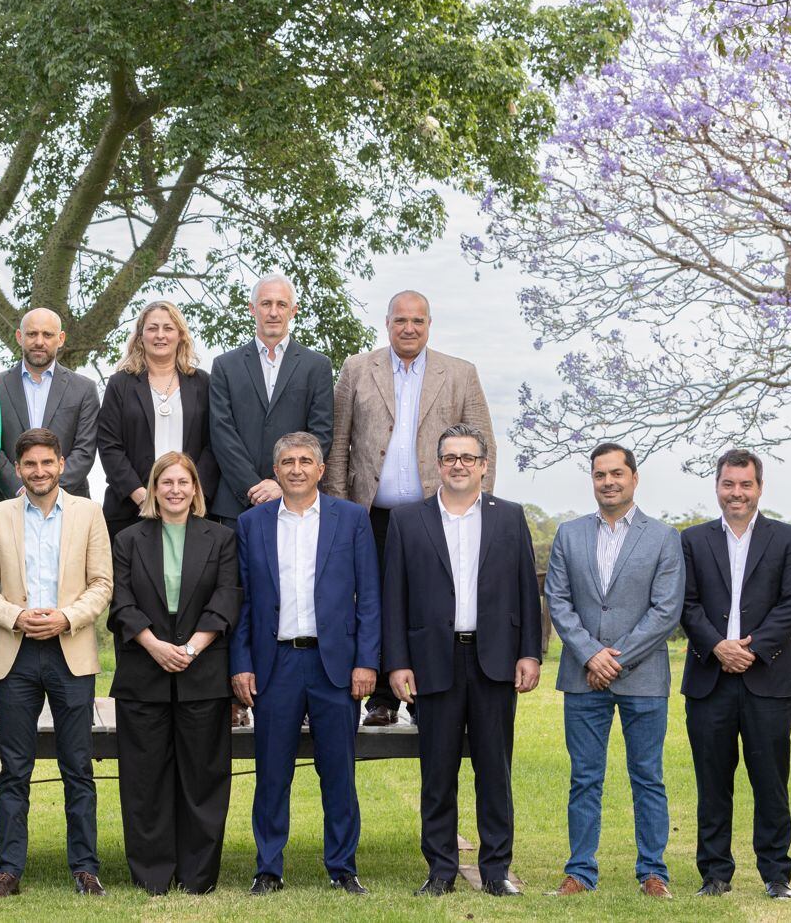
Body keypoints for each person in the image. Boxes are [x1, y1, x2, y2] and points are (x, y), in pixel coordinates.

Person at [321, 290, 497, 727]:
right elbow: (338, 443)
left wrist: (478, 511)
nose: (409, 328)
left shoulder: (459, 373)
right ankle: (382, 699)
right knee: (377, 602)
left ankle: (424, 698)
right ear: (387, 324)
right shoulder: (357, 369)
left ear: (429, 325)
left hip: (435, 516)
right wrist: (340, 508)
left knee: (430, 604)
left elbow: (485, 446)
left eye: (418, 320)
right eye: (400, 320)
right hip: (371, 515)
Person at [381, 424, 542, 897]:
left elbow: (526, 590)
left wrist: (529, 652)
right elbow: (394, 596)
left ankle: (496, 870)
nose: (458, 465)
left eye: (468, 457)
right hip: (433, 660)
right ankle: (440, 870)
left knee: (494, 771)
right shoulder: (408, 520)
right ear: (438, 464)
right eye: (450, 457)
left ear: (483, 466)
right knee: (437, 772)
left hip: (495, 660)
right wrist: (397, 661)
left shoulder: (508, 517)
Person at [229, 434, 380, 896]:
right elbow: (242, 601)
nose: (296, 469)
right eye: (288, 462)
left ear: (320, 469)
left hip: (334, 665)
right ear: (275, 471)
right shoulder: (251, 523)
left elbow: (369, 598)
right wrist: (241, 663)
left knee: (338, 773)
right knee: (272, 773)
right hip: (275, 664)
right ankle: (268, 868)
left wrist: (366, 662)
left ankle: (343, 867)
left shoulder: (350, 519)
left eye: (305, 461)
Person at [0, 428, 113, 897]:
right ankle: (8, 870)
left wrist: (66, 618)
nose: (39, 471)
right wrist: (16, 617)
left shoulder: (89, 513)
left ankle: (85, 869)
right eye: (29, 464)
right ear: (17, 469)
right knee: (14, 769)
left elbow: (102, 584)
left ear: (62, 464)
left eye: (47, 462)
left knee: (78, 767)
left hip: (70, 650)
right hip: (16, 653)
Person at [544, 443, 684, 898]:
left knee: (648, 777)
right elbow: (558, 601)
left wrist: (613, 659)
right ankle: (580, 872)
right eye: (600, 474)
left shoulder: (663, 537)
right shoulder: (569, 534)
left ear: (634, 478)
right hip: (583, 677)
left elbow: (666, 611)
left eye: (617, 473)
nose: (608, 482)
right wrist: (591, 655)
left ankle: (653, 873)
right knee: (584, 777)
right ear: (593, 480)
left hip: (643, 679)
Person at [108, 452, 240, 895]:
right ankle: (152, 875)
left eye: (184, 482)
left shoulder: (221, 538)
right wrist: (154, 645)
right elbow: (121, 602)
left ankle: (198, 876)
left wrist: (191, 648)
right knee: (144, 779)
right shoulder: (128, 539)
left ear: (196, 489)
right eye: (166, 482)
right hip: (143, 670)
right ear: (154, 488)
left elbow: (226, 597)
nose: (175, 490)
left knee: (203, 778)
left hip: (202, 670)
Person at [679, 449, 791, 899]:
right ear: (717, 486)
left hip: (768, 678)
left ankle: (776, 874)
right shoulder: (692, 540)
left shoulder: (787, 538)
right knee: (712, 783)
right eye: (729, 484)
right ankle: (715, 874)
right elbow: (685, 603)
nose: (737, 492)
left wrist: (750, 650)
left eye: (745, 484)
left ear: (759, 487)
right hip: (709, 678)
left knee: (770, 781)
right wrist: (717, 646)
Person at [208, 273, 334, 526]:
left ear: (293, 311)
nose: (273, 312)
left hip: (296, 500)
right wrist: (252, 487)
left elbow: (321, 433)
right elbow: (221, 432)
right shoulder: (225, 365)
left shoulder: (317, 366)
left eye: (281, 304)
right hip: (236, 503)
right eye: (266, 304)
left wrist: (280, 484)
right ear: (252, 309)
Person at [98, 300, 220, 543]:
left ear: (180, 335)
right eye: (152, 328)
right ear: (140, 336)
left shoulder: (203, 383)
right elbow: (109, 445)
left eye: (168, 328)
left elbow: (214, 443)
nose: (160, 335)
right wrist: (141, 495)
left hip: (191, 509)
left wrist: (192, 494)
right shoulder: (120, 384)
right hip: (130, 510)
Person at [0, 307, 100, 500]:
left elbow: (84, 450)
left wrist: (50, 492)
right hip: (8, 500)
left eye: (47, 335)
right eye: (32, 334)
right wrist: (20, 489)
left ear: (61, 338)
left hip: (69, 501)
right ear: (19, 337)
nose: (39, 341)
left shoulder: (84, 389)